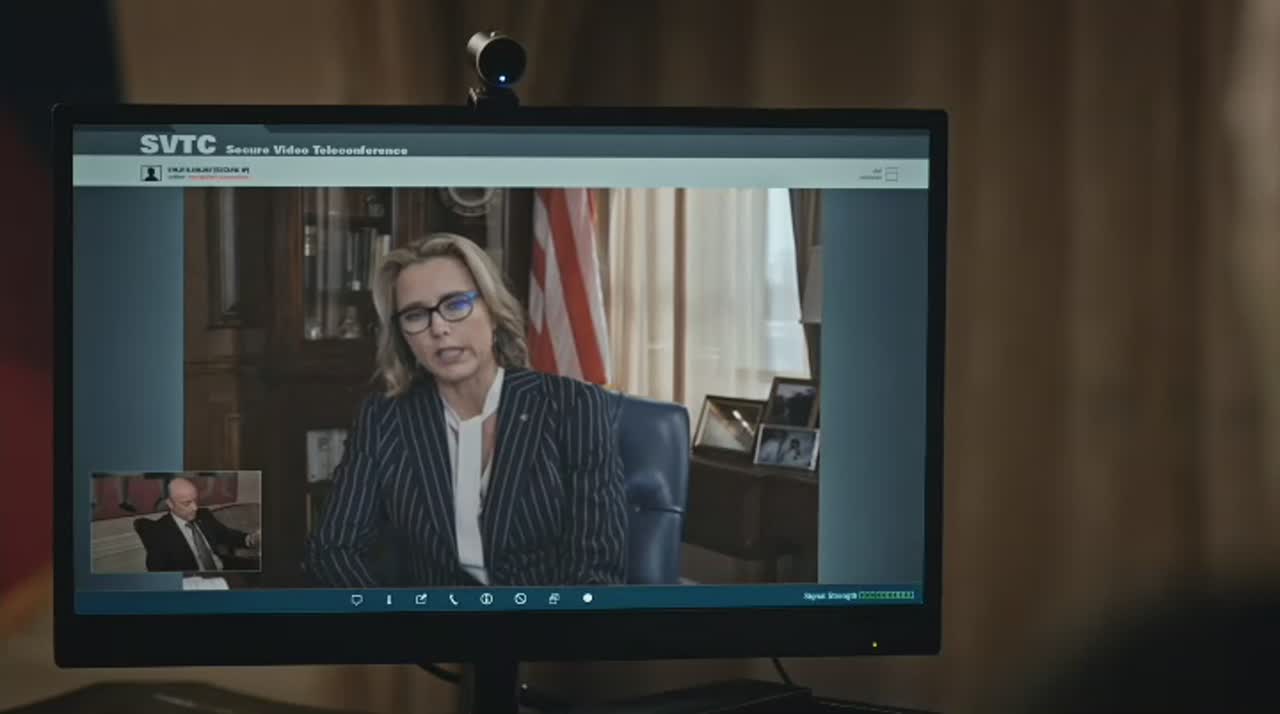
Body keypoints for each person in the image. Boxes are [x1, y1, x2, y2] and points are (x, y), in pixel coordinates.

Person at [305, 233, 627, 588]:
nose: (439, 328)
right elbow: (334, 549)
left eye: (456, 305)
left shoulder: (572, 407)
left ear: (493, 312)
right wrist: (391, 618)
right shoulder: (384, 419)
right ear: (403, 337)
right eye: (415, 315)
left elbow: (597, 569)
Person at [141, 477, 261, 572]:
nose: (195, 508)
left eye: (195, 500)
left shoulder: (204, 515)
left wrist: (251, 539)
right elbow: (157, 570)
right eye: (187, 503)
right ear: (170, 504)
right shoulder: (158, 531)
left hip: (223, 567)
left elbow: (226, 535)